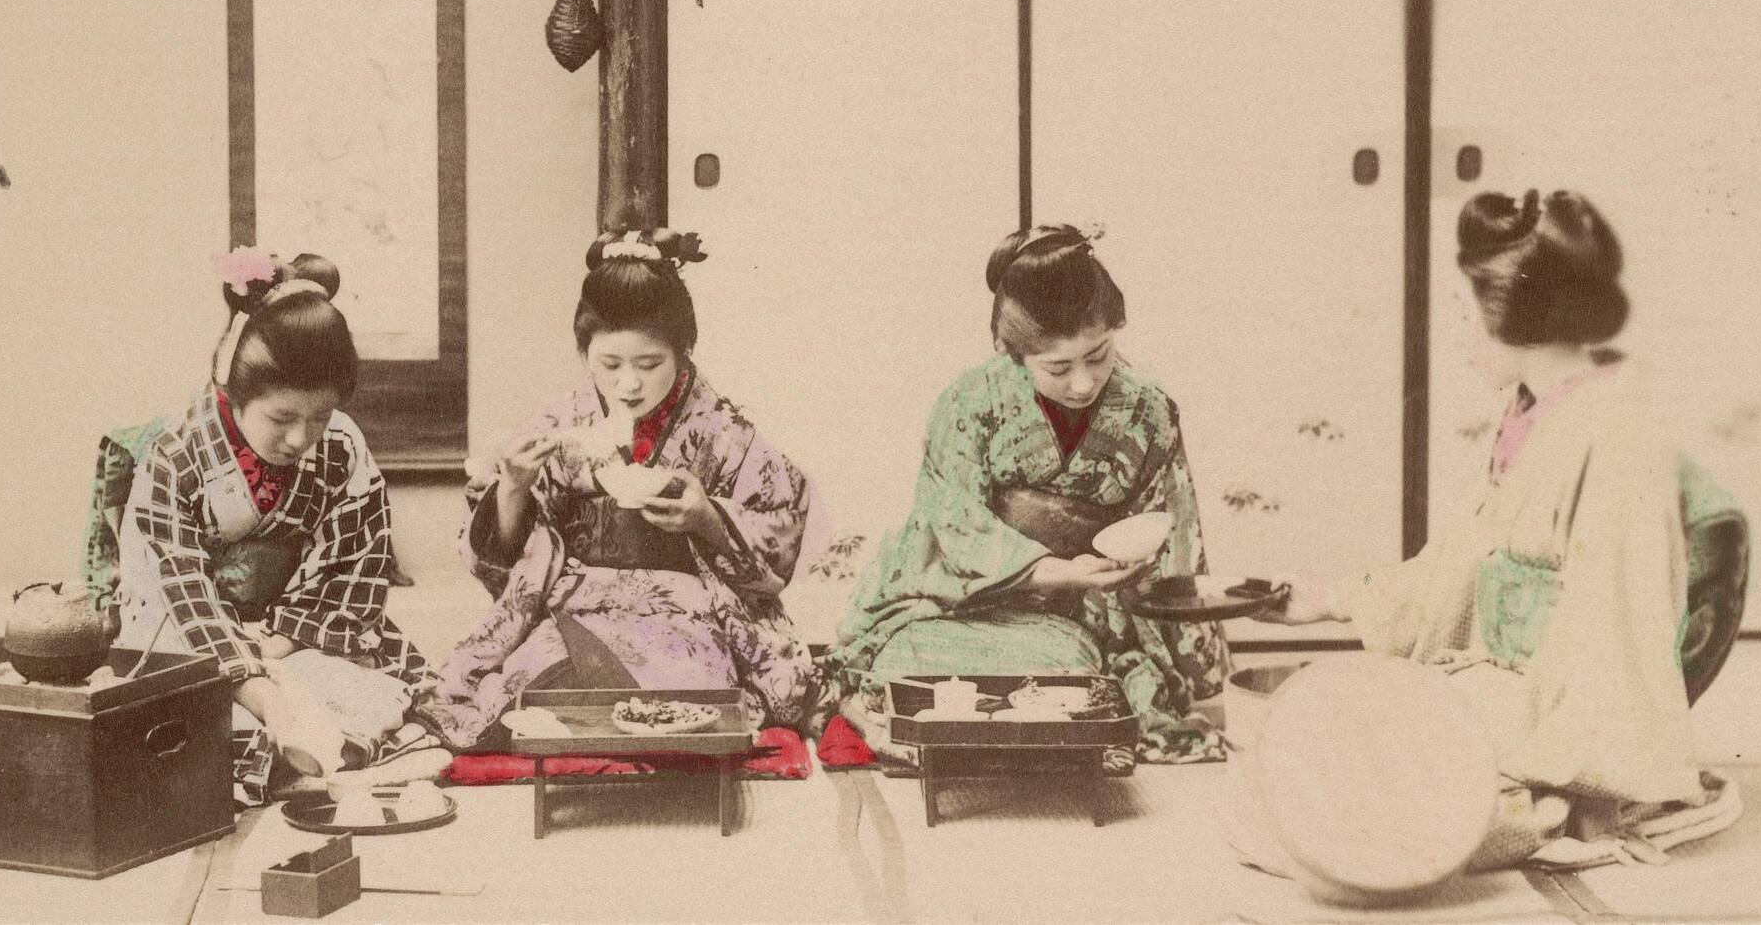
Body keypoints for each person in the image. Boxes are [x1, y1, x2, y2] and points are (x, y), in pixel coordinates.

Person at [1255, 190, 1741, 868]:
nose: (1459, 337)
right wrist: (1334, 599)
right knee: (1317, 750)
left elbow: (1613, 633)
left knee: (1376, 811)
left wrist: (1541, 754)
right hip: (1499, 684)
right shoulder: (1532, 411)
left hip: (1562, 709)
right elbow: (1459, 564)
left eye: (1466, 316)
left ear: (1518, 314)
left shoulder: (1618, 435)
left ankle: (1583, 801)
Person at [822, 223, 1229, 764]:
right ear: (1009, 351)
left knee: (1072, 680)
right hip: (962, 601)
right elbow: (955, 530)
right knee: (910, 668)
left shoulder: (1148, 410)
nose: (1083, 383)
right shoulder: (969, 403)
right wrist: (1059, 570)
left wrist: (1192, 662)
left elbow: (1174, 531)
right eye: (1057, 367)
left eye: (1099, 355)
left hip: (1088, 608)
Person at [414, 229, 818, 751]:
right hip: (576, 607)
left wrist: (707, 518)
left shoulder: (723, 431)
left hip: (689, 608)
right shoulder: (559, 423)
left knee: (690, 704)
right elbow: (501, 562)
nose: (629, 384)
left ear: (683, 350)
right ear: (584, 351)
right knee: (534, 697)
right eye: (609, 364)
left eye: (649, 364)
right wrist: (513, 487)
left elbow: (779, 532)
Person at [116, 248, 432, 806]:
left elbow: (354, 565)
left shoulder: (341, 446)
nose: (300, 438)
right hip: (194, 632)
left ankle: (313, 748)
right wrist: (263, 691)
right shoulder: (175, 455)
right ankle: (313, 747)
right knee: (181, 707)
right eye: (281, 418)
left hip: (294, 635)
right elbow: (180, 591)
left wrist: (282, 643)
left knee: (364, 682)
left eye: (320, 416)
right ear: (233, 392)